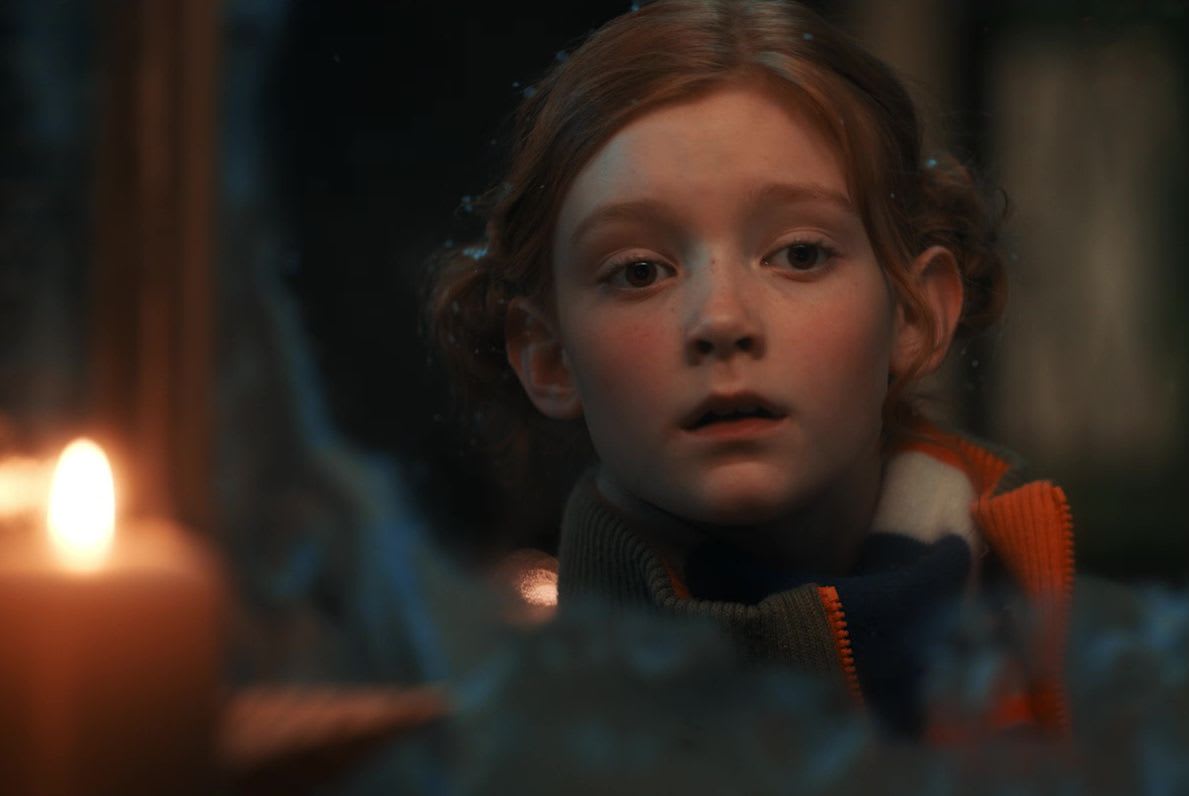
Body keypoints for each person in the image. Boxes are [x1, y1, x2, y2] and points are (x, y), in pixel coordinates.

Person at [428, 0, 1074, 743]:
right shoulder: (512, 753)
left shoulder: (1100, 679)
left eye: (800, 254)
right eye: (639, 271)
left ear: (915, 313)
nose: (721, 319)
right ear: (549, 355)